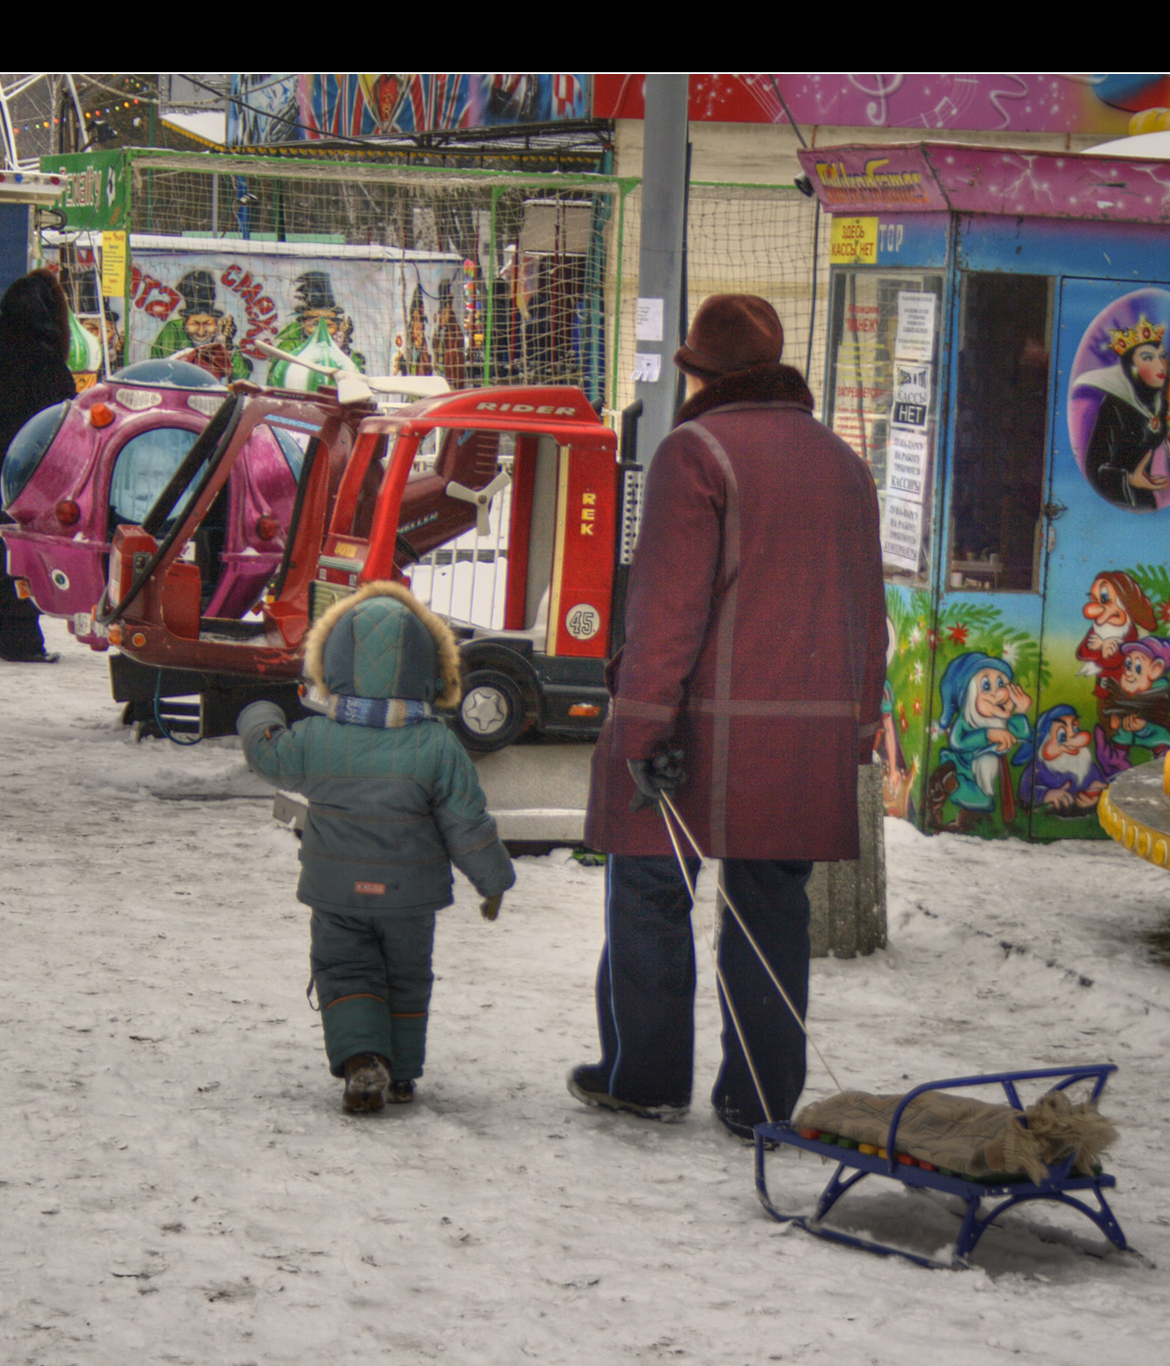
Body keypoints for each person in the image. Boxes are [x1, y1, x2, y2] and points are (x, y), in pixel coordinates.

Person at [568, 294, 887, 1139]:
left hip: (698, 729)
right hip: (808, 730)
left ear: (702, 373)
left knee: (647, 889)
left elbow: (666, 611)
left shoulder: (694, 451)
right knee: (772, 909)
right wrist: (857, 728)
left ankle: (645, 1076)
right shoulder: (843, 461)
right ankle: (759, 1098)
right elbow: (869, 606)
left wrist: (637, 727)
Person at [237, 582, 516, 1113]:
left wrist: (257, 717)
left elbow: (269, 758)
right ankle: (403, 1072)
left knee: (344, 970)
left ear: (334, 662)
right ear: (427, 666)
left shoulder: (317, 740)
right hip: (410, 897)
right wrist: (493, 880)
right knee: (407, 975)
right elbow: (466, 821)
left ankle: (364, 1059)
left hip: (337, 892)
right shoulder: (437, 745)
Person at [0, 270, 77, 662]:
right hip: (30, 477)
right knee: (26, 547)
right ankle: (22, 636)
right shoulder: (46, 360)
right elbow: (63, 429)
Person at [1075, 316, 1170, 509]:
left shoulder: (1160, 404)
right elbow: (1095, 469)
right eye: (1148, 358)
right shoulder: (1115, 406)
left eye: (1162, 356)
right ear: (1130, 367)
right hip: (1119, 502)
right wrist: (1129, 479)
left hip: (1145, 499)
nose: (1160, 366)